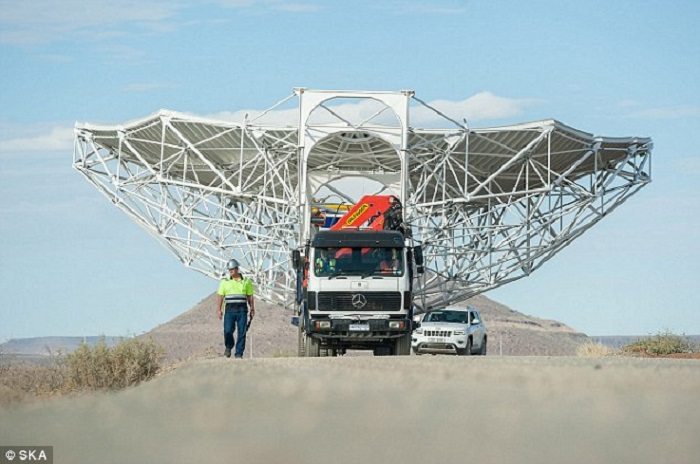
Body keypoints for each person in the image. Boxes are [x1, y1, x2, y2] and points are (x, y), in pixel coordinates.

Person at [215, 259, 255, 359]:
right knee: (228, 330)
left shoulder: (246, 282)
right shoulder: (225, 282)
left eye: (232, 269)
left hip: (242, 310)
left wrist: (252, 308)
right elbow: (220, 296)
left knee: (242, 332)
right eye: (230, 270)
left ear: (237, 269)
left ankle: (239, 354)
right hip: (229, 310)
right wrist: (219, 309)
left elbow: (250, 296)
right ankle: (228, 347)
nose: (231, 271)